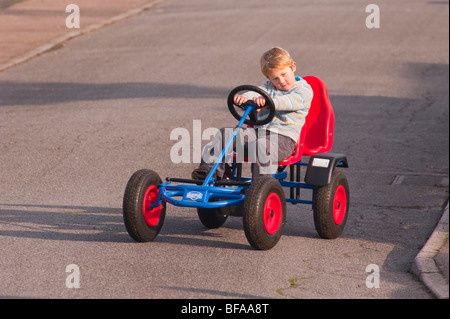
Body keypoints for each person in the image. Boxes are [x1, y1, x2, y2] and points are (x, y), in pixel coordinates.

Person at [192, 47, 313, 180]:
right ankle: (209, 172)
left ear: (293, 67)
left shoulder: (303, 90)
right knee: (225, 133)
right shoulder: (268, 88)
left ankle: (260, 186)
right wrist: (244, 98)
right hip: (257, 134)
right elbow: (255, 93)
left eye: (284, 74)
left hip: (284, 140)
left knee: (261, 146)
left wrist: (267, 101)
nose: (281, 81)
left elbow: (288, 101)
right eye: (275, 78)